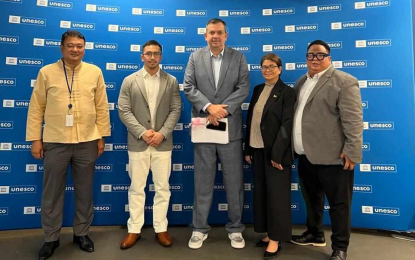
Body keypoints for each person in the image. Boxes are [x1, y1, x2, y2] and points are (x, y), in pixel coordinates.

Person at [26, 30, 110, 260]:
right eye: (71, 45)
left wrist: (101, 136)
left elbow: (102, 106)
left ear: (84, 48)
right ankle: (51, 238)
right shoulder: (46, 72)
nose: (75, 50)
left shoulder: (95, 72)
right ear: (61, 48)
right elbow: (36, 108)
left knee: (84, 190)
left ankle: (81, 234)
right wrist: (35, 138)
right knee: (52, 193)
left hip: (87, 140)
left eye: (80, 46)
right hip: (55, 141)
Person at [290, 40, 363, 260]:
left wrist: (352, 150)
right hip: (305, 156)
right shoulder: (301, 81)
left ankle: (340, 247)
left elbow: (354, 120)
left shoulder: (345, 81)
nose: (315, 59)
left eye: (320, 55)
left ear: (329, 58)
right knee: (312, 200)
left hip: (334, 157)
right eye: (311, 55)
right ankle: (315, 233)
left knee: (339, 205)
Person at [183, 18, 250, 249]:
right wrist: (208, 107)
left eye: (219, 32)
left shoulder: (238, 57)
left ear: (226, 35)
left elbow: (243, 87)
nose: (215, 36)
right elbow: (189, 86)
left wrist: (222, 110)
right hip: (204, 127)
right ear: (205, 35)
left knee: (234, 182)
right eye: (211, 32)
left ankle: (236, 229)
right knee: (202, 182)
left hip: (229, 130)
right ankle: (199, 228)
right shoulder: (195, 57)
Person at [118, 40, 181, 249]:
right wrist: (143, 133)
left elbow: (175, 110)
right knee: (137, 188)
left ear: (161, 56)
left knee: (163, 188)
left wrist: (162, 134)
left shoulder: (171, 81)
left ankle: (160, 228)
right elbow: (124, 110)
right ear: (141, 56)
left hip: (163, 144)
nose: (152, 57)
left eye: (156, 54)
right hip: (138, 143)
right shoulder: (129, 80)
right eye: (148, 53)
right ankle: (134, 229)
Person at [244, 53, 296, 259]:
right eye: (264, 67)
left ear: (280, 69)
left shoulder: (287, 92)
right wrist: (248, 148)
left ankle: (276, 239)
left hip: (275, 154)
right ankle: (268, 233)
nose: (267, 70)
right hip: (256, 150)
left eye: (272, 67)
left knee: (277, 197)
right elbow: (252, 121)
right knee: (263, 195)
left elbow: (286, 125)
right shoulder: (258, 90)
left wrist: (277, 154)